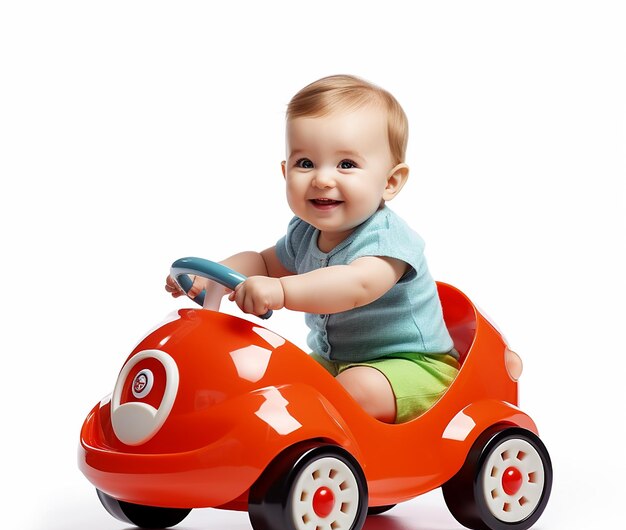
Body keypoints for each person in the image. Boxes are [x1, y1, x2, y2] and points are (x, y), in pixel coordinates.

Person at [166, 74, 459, 424]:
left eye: (346, 165)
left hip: (410, 366)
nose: (322, 178)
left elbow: (355, 286)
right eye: (305, 163)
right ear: (285, 171)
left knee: (353, 390)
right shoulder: (305, 233)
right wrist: (210, 274)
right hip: (334, 363)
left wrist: (281, 291)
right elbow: (261, 262)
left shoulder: (388, 239)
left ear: (390, 182)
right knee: (275, 383)